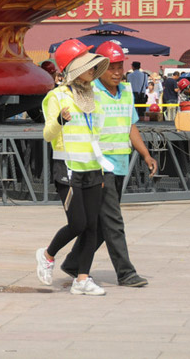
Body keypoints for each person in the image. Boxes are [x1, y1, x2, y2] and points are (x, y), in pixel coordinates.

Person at [60, 40, 158, 289]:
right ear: (99, 68)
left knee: (103, 223)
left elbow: (130, 127)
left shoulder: (125, 91)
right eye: (111, 67)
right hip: (99, 166)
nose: (117, 72)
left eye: (119, 66)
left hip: (120, 164)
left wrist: (146, 155)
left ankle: (73, 263)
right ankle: (126, 272)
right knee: (113, 219)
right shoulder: (88, 92)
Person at [36, 39, 110, 296]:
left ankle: (82, 279)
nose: (93, 70)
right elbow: (47, 134)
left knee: (92, 226)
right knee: (78, 223)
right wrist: (60, 120)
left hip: (92, 168)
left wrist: (104, 165)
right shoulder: (56, 97)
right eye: (87, 66)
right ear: (74, 70)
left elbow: (97, 134)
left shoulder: (95, 97)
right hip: (67, 168)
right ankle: (47, 255)